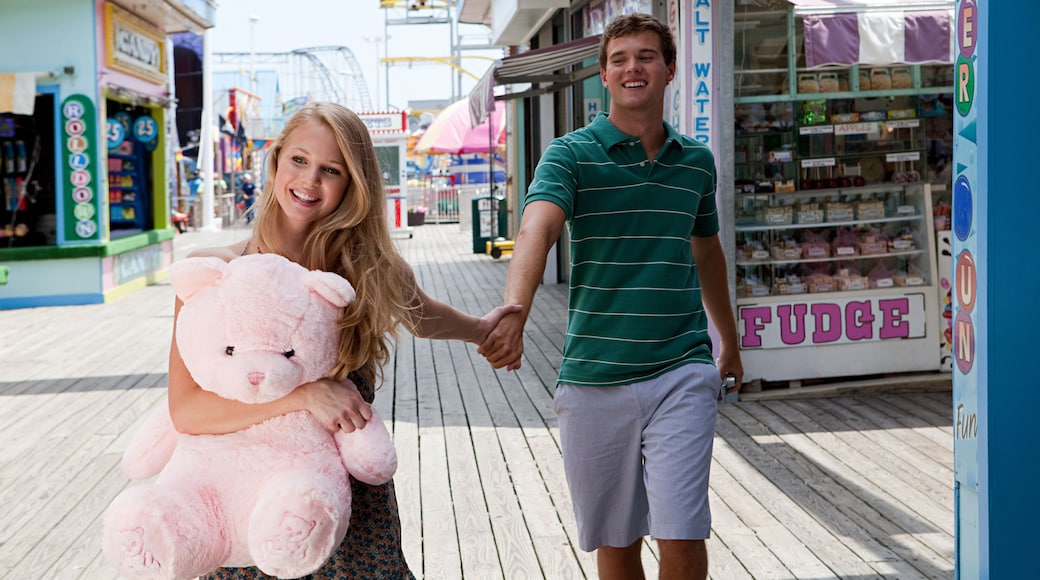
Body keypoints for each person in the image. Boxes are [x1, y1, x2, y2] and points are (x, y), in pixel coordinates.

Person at [169, 102, 520, 579]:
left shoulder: (363, 269)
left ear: (352, 185)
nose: (310, 180)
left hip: (348, 510)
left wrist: (484, 331)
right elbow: (187, 410)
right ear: (275, 162)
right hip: (244, 505)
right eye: (299, 160)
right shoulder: (215, 273)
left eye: (330, 170)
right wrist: (303, 396)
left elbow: (425, 316)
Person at [478, 13, 744, 580]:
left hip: (682, 368)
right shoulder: (570, 156)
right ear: (603, 74)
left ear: (669, 70)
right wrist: (515, 310)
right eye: (620, 58)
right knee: (617, 544)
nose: (633, 67)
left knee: (682, 532)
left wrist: (730, 340)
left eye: (646, 56)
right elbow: (537, 229)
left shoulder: (696, 163)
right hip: (595, 378)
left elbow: (708, 254)